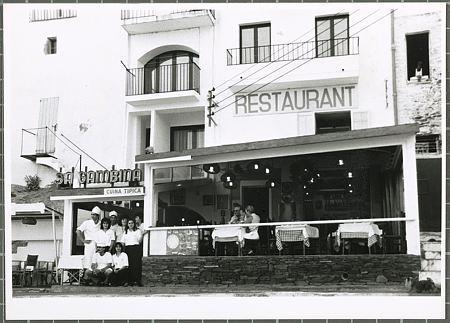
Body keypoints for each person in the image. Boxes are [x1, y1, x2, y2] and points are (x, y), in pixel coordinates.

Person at [76, 206, 101, 270]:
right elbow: (78, 231)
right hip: (89, 245)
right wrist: (83, 240)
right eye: (92, 214)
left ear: (98, 216)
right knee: (88, 260)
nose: (92, 216)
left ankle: (96, 277)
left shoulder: (101, 223)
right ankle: (88, 277)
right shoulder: (87, 222)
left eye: (94, 215)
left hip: (98, 245)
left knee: (98, 260)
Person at [120, 218, 143, 286]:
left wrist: (142, 234)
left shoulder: (138, 231)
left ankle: (138, 281)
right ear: (127, 224)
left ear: (134, 224)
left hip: (136, 249)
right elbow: (122, 242)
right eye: (129, 223)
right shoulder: (125, 232)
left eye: (132, 223)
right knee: (129, 265)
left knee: (136, 265)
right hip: (128, 249)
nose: (131, 224)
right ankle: (130, 281)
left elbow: (139, 241)